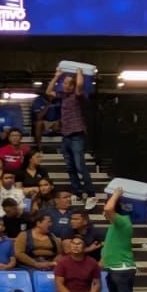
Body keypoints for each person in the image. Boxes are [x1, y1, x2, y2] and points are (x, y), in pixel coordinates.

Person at [50, 66, 95, 201]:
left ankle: (90, 193)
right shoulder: (62, 96)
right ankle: (78, 192)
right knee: (70, 167)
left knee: (80, 165)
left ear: (72, 86)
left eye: (67, 83)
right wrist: (57, 76)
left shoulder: (78, 95)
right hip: (66, 136)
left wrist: (79, 72)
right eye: (64, 83)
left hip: (77, 135)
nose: (64, 85)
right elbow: (48, 91)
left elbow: (80, 85)